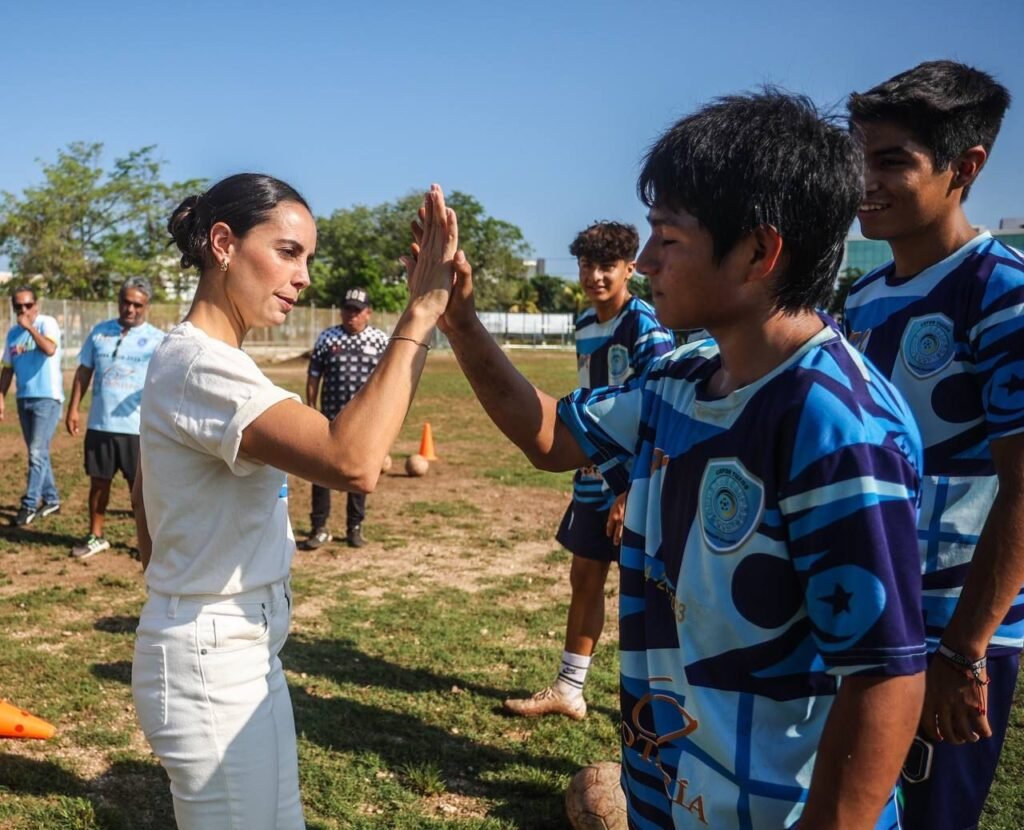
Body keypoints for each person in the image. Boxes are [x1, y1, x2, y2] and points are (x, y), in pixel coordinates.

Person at [433, 91, 927, 828]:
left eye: (667, 236)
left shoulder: (838, 424)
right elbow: (550, 439)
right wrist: (459, 317)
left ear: (760, 251)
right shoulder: (678, 381)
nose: (649, 260)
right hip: (667, 789)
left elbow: (886, 675)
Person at [131, 174, 457, 829]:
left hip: (241, 649)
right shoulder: (203, 365)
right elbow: (354, 460)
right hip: (211, 662)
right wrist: (420, 311)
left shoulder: (208, 361)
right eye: (287, 251)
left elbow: (146, 508)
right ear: (223, 243)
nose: (304, 276)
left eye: (307, 257)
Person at [844, 61, 1023, 830]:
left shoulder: (1001, 291)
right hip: (860, 616)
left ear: (966, 167)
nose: (864, 181)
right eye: (859, 157)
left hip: (952, 638)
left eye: (892, 162)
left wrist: (963, 650)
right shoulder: (859, 298)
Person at [503, 222, 673, 720]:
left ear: (629, 269)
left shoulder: (646, 324)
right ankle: (569, 689)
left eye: (607, 266)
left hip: (634, 481)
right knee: (585, 576)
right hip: (592, 478)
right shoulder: (583, 323)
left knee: (648, 591)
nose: (596, 276)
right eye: (587, 265)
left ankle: (661, 705)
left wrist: (632, 489)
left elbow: (656, 412)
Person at [65, 277, 164, 559]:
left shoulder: (157, 340)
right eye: (126, 302)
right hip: (100, 425)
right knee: (99, 483)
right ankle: (96, 536)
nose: (130, 309)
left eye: (137, 304)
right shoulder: (99, 333)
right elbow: (84, 371)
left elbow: (167, 380)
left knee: (142, 491)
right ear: (118, 301)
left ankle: (150, 543)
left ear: (146, 306)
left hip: (137, 429)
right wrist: (73, 409)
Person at [299, 286, 389, 550]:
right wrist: (311, 407)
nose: (351, 315)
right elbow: (314, 374)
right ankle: (319, 527)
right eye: (347, 309)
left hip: (364, 422)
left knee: (359, 473)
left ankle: (355, 527)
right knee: (320, 473)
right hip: (328, 420)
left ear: (368, 313)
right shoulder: (328, 338)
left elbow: (386, 382)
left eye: (357, 311)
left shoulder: (379, 341)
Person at [0, 286, 63, 527]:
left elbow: (49, 349)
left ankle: (29, 504)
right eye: (19, 306)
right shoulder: (12, 334)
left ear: (36, 305)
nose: (23, 310)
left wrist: (29, 327)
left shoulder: (47, 323)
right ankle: (51, 498)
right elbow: (7, 368)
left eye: (28, 305)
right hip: (24, 398)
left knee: (36, 452)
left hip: (47, 398)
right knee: (38, 453)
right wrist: (1, 397)